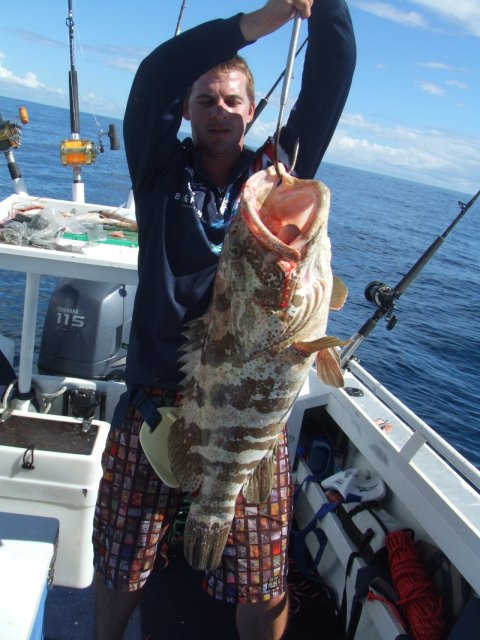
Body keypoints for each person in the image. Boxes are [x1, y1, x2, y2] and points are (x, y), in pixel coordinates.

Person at [92, 1, 356, 638]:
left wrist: (328, 8)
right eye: (205, 100)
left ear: (253, 111)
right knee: (123, 564)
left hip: (248, 425)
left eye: (233, 100)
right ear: (185, 110)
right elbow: (155, 74)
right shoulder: (157, 170)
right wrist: (257, 23)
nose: (219, 111)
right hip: (156, 401)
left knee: (263, 582)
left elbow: (331, 75)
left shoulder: (274, 176)